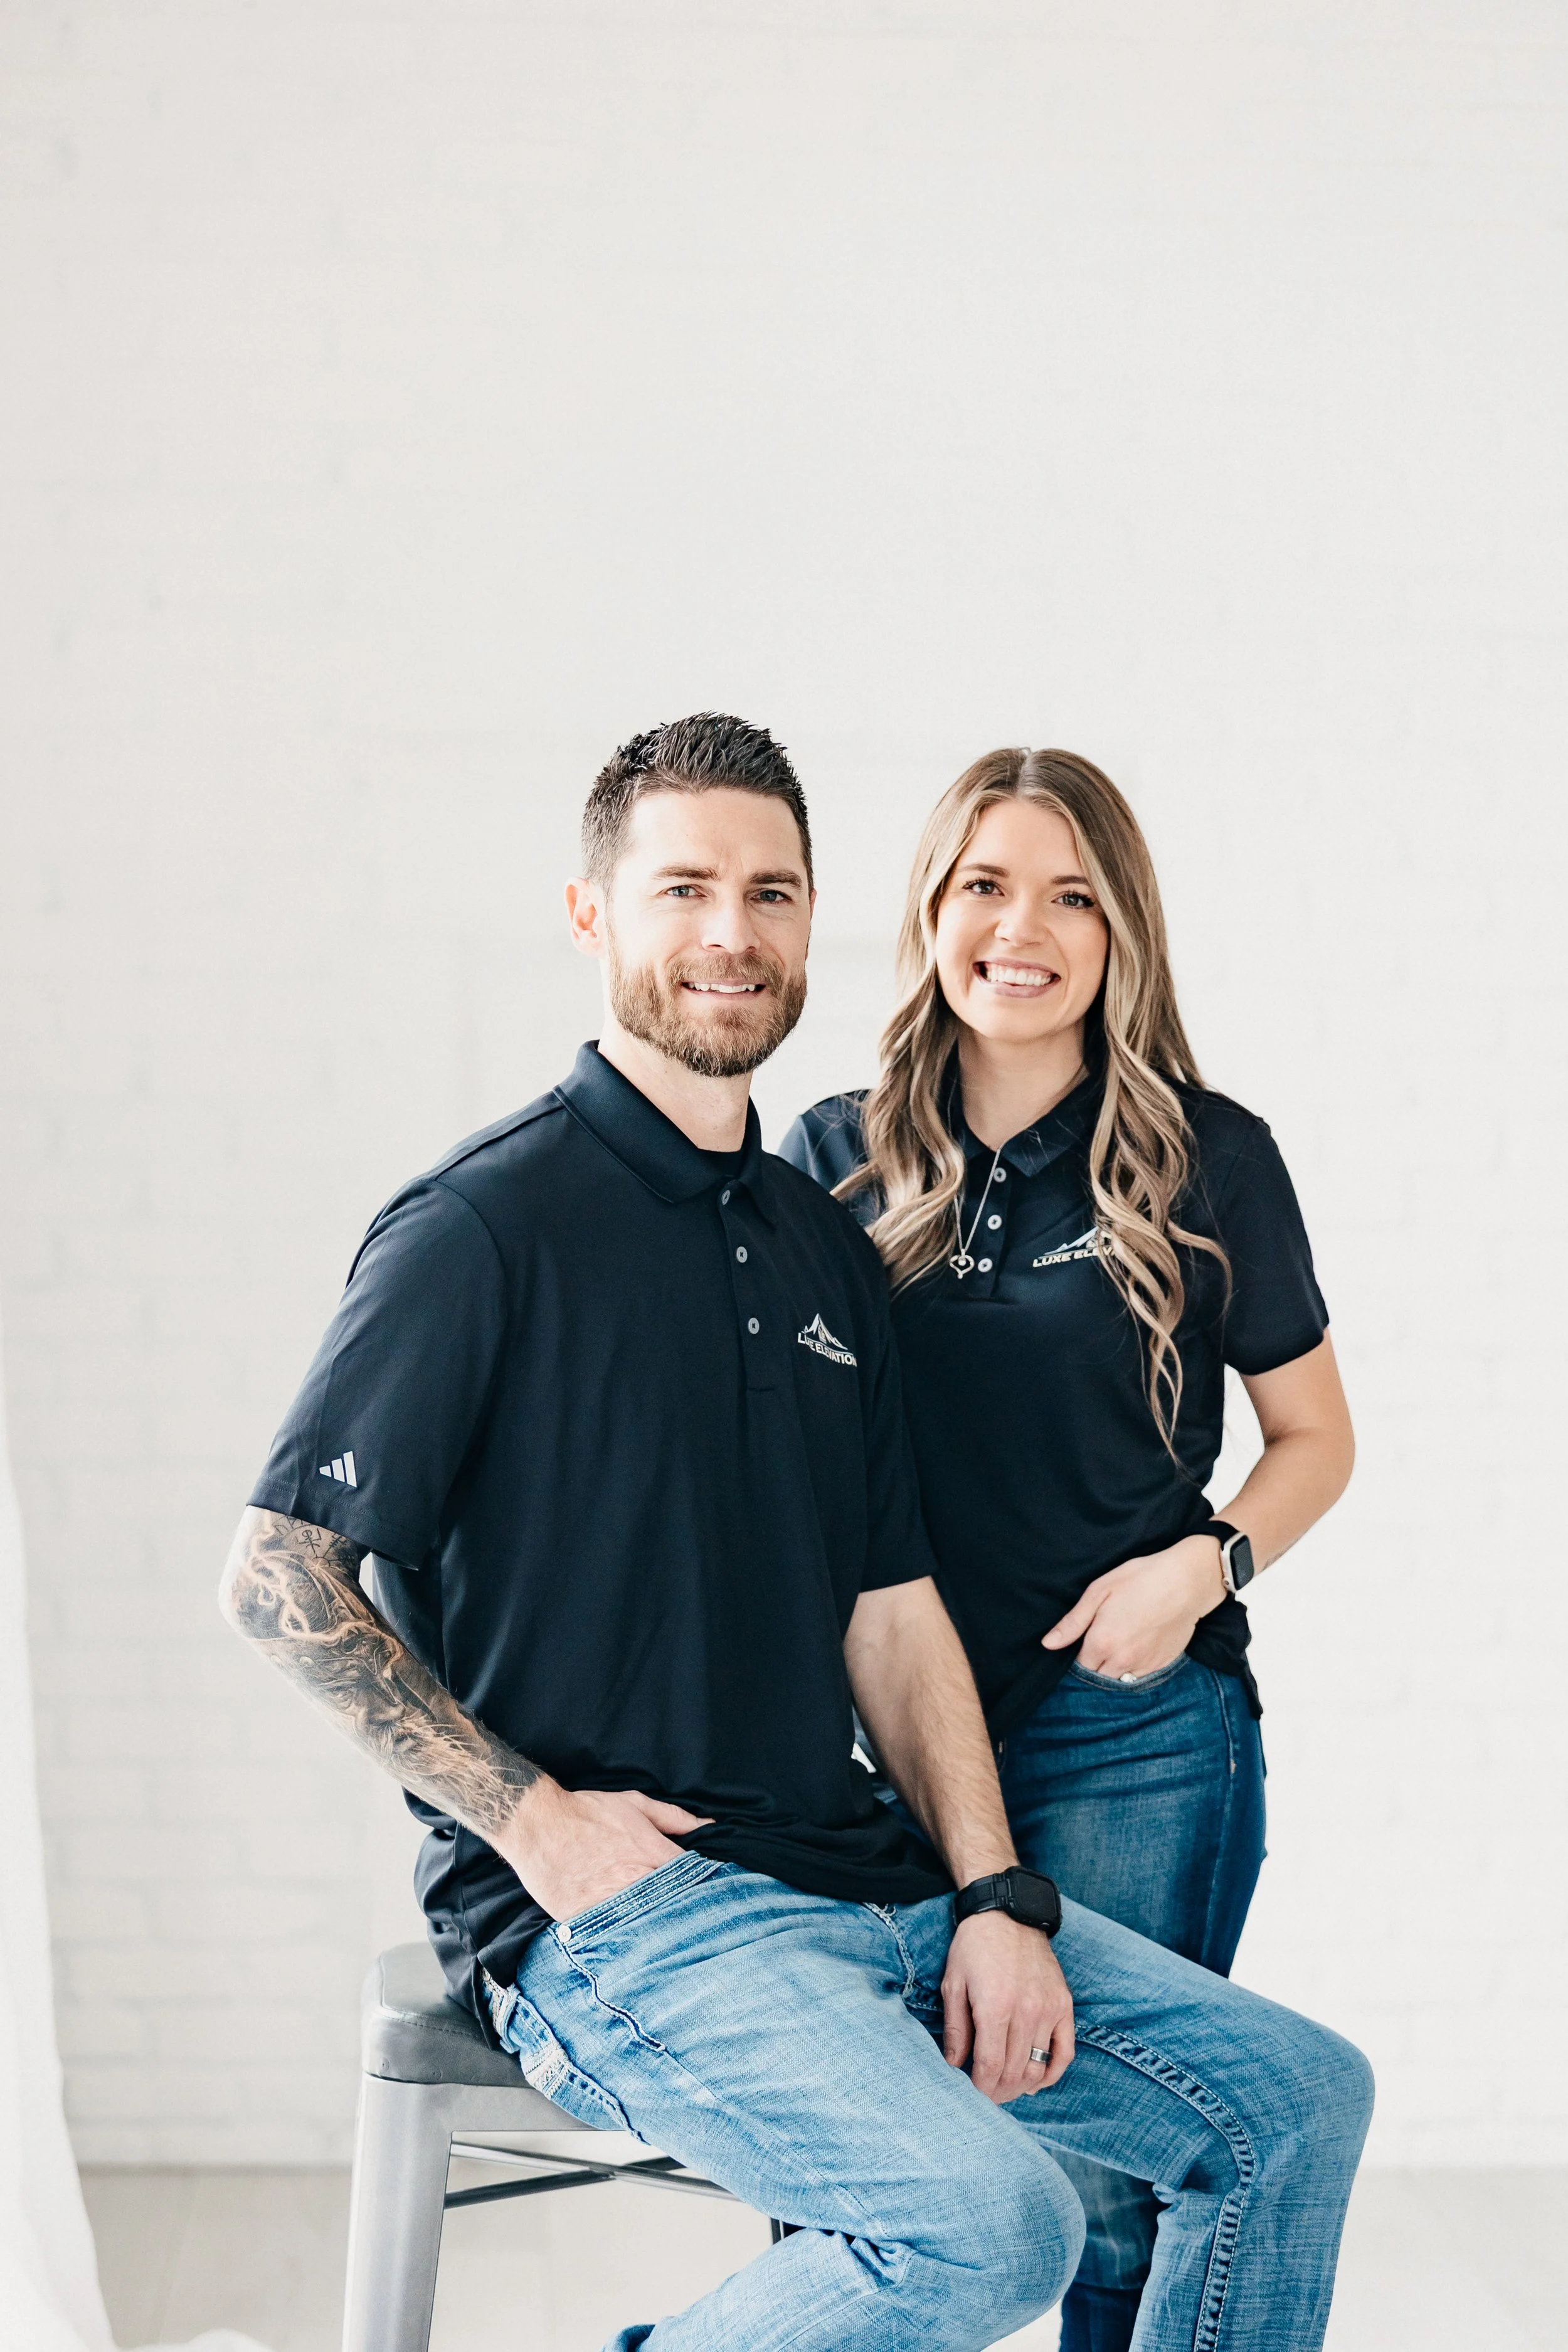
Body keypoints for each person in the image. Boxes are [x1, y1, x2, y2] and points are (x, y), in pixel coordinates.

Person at [220, 715, 1370, 2352]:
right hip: (636, 1903)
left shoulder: (815, 1241)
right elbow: (277, 1574)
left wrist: (996, 1894)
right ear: (589, 913)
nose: (728, 931)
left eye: (768, 891)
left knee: (1295, 2101)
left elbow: (890, 1607)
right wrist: (532, 1820)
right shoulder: (487, 1222)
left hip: (869, 1863)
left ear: (817, 919)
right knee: (1002, 2222)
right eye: (681, 886)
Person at [780, 744, 1357, 2352]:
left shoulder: (1206, 1155)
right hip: (875, 1746)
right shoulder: (825, 1156)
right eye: (983, 884)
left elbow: (1316, 1439)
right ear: (928, 910)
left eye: (1069, 895)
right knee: (907, 2176)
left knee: (1111, 2160)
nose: (1017, 927)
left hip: (1128, 1733)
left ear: (1120, 935)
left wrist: (1203, 1569)